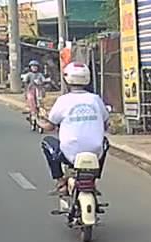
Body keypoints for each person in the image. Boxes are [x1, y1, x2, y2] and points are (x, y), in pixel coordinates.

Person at [39, 62, 110, 195]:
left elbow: (50, 126)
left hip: (69, 153)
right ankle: (93, 179)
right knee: (105, 142)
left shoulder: (63, 100)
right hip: (95, 153)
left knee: (46, 142)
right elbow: (106, 123)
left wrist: (39, 123)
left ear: (67, 79)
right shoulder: (95, 99)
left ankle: (61, 181)